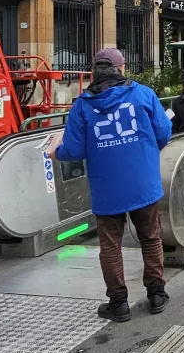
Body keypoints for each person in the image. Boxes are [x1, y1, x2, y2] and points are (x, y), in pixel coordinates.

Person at [49, 48, 172, 322]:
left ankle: (118, 302)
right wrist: (147, 152)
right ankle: (156, 294)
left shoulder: (82, 104)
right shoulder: (143, 94)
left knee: (111, 245)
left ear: (95, 70)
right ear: (121, 68)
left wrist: (56, 152)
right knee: (151, 238)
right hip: (143, 182)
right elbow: (164, 132)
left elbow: (74, 149)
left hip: (106, 188)